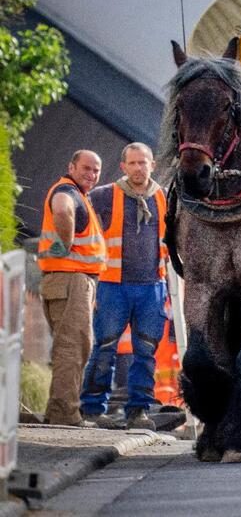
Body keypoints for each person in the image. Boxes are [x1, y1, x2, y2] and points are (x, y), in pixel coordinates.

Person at [80, 143, 169, 430]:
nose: (138, 168)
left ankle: (138, 411)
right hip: (112, 285)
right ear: (123, 167)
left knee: (146, 351)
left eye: (143, 163)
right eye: (132, 163)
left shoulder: (163, 198)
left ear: (152, 165)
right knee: (104, 347)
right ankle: (93, 409)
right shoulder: (104, 196)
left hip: (152, 286)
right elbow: (82, 223)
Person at [37, 150, 106, 427]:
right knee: (72, 347)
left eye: (96, 170)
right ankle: (65, 414)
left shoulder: (79, 193)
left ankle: (60, 410)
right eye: (86, 169)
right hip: (70, 280)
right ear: (71, 167)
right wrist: (64, 244)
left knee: (76, 347)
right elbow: (63, 208)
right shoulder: (67, 190)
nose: (91, 175)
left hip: (72, 281)